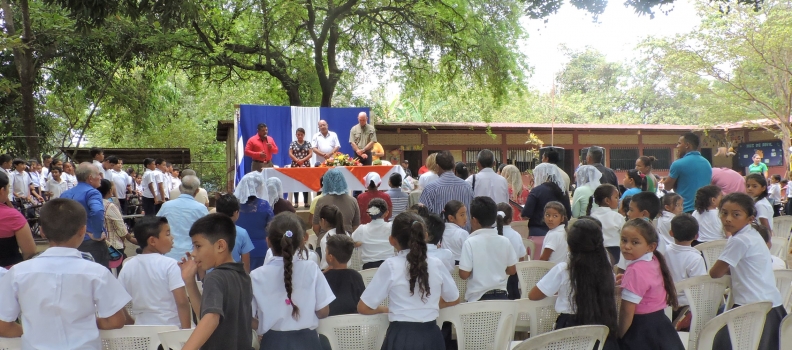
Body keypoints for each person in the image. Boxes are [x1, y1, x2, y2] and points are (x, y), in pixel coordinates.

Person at [0, 198, 131, 349]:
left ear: (41, 231)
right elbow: (115, 321)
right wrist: (86, 322)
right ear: (83, 230)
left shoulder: (17, 272)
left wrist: (32, 331)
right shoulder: (97, 272)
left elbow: (3, 326)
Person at [357, 212, 460, 350]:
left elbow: (364, 307)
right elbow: (454, 298)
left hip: (401, 336)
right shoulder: (437, 264)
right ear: (426, 236)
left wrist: (386, 309)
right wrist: (431, 304)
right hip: (432, 336)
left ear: (392, 240)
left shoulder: (390, 265)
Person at [709, 192, 786, 350]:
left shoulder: (739, 240)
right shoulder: (753, 234)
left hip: (751, 305)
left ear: (750, 218)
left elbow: (715, 273)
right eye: (724, 213)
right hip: (771, 303)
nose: (728, 218)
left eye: (736, 214)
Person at [528, 218, 619, 350]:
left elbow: (533, 295)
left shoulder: (564, 269)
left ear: (570, 245)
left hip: (569, 327)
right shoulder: (606, 269)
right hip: (601, 324)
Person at [251, 212, 334, 348]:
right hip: (308, 342)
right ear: (302, 241)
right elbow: (323, 311)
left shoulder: (256, 276)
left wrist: (265, 325)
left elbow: (247, 318)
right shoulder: (312, 268)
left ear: (268, 242)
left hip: (273, 342)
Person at [178, 214, 252, 350]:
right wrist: (190, 281)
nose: (193, 253)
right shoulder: (243, 275)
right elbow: (206, 313)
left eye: (198, 246)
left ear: (220, 246)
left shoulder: (215, 277)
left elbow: (211, 318)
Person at [617, 218, 684, 350]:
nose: (627, 246)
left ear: (650, 247)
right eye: (624, 240)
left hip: (640, 329)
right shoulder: (653, 260)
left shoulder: (635, 270)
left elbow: (627, 311)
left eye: (635, 242)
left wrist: (620, 336)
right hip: (660, 324)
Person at [118, 216, 190, 328]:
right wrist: (186, 332)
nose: (172, 238)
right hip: (172, 330)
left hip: (142, 333)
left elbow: (118, 303)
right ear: (152, 241)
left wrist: (131, 323)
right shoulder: (170, 265)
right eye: (167, 234)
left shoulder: (127, 267)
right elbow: (182, 302)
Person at [458, 196, 519, 301]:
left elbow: (464, 274)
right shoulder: (505, 241)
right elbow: (512, 270)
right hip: (502, 298)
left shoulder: (470, 242)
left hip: (478, 301)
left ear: (474, 220)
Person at [60, 162, 109, 269]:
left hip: (69, 243)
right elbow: (97, 211)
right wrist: (96, 234)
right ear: (90, 178)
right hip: (91, 242)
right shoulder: (92, 193)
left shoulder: (65, 194)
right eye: (98, 174)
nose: (100, 177)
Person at [520, 163, 572, 259]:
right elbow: (568, 214)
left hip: (538, 234)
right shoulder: (562, 190)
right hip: (561, 235)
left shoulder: (536, 191)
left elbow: (526, 214)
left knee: (539, 266)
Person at [156, 175, 210, 261]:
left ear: (180, 188)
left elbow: (155, 226)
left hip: (167, 254)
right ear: (197, 191)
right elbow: (208, 231)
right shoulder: (201, 209)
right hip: (190, 256)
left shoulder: (166, 206)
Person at [664, 214, 706, 317]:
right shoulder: (695, 258)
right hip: (686, 306)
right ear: (696, 236)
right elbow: (699, 288)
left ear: (671, 233)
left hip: (665, 303)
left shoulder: (664, 251)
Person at [235, 171, 276, 270]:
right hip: (260, 249)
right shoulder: (264, 205)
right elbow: (273, 227)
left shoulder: (235, 205)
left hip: (237, 247)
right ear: (257, 187)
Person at [419, 151, 474, 224]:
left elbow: (422, 213)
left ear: (437, 167)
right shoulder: (467, 186)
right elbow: (472, 211)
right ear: (454, 166)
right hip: (464, 233)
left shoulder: (430, 188)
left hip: (440, 233)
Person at [664, 133, 713, 213]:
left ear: (687, 145)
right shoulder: (706, 163)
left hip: (686, 210)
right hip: (704, 210)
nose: (677, 146)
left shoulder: (678, 164)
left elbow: (667, 186)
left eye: (679, 143)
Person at [323, 234, 366, 316]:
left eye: (326, 252)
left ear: (330, 257)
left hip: (328, 326)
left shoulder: (323, 278)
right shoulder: (356, 276)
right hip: (354, 326)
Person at [0, 171, 36, 268]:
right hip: (8, 274)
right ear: (2, 190)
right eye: (8, 188)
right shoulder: (13, 217)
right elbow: (29, 253)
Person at [312, 169, 361, 238]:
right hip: (346, 242)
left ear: (326, 182)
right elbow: (356, 227)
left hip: (325, 242)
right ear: (343, 182)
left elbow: (316, 228)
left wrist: (324, 238)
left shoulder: (321, 201)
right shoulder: (353, 201)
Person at [98, 180, 136, 266]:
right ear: (110, 190)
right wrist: (125, 240)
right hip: (113, 247)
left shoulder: (92, 204)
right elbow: (121, 229)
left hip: (98, 245)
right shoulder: (110, 206)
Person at [215, 193, 255, 273]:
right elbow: (245, 263)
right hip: (234, 276)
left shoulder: (207, 230)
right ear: (236, 212)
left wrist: (203, 279)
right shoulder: (242, 233)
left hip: (212, 276)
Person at [587, 184, 625, 264]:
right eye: (616, 197)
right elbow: (624, 235)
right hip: (615, 254)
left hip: (595, 253)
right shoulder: (618, 217)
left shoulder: (591, 216)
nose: (618, 200)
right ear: (607, 200)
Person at [496, 203, 527, 299]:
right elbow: (522, 257)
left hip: (496, 277)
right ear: (511, 219)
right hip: (513, 274)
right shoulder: (516, 235)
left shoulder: (491, 235)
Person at [352, 198, 393, 269]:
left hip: (368, 268)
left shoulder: (361, 229)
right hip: (388, 266)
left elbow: (350, 242)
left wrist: (358, 243)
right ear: (386, 213)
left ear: (369, 213)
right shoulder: (391, 227)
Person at [318, 205, 351, 270]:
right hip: (347, 270)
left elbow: (328, 265)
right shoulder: (346, 234)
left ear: (323, 221)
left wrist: (321, 274)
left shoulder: (326, 239)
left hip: (330, 273)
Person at [290, 127, 313, 207]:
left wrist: (303, 160)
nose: (300, 136)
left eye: (301, 134)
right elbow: (290, 153)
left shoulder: (308, 143)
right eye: (298, 134)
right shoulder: (293, 143)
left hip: (305, 165)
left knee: (305, 183)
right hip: (295, 166)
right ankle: (296, 202)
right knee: (295, 183)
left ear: (304, 135)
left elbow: (310, 154)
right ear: (296, 135)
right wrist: (297, 160)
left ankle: (306, 202)